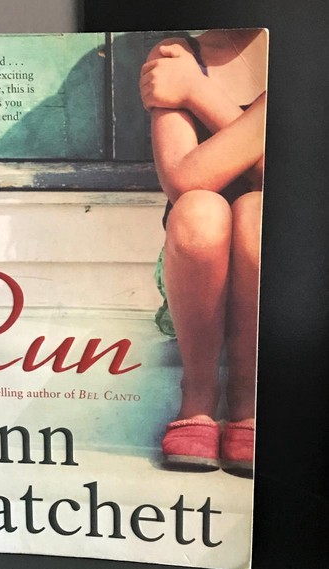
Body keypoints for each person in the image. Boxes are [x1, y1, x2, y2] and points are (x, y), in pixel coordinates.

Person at [139, 29, 267, 472]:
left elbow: (294, 179)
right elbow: (183, 180)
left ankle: (247, 396)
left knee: (258, 212)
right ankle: (198, 392)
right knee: (199, 210)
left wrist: (196, 91)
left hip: (273, 269)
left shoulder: (305, 58)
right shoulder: (179, 53)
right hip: (192, 268)